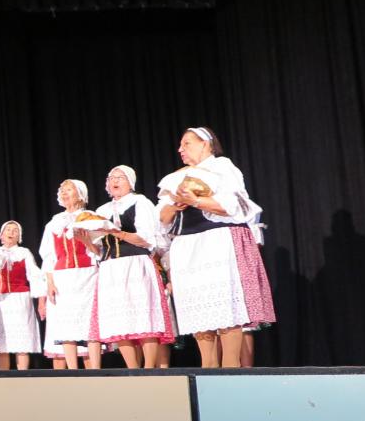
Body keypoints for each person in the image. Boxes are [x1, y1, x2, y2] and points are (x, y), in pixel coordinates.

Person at [157, 127, 275, 367]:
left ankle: (230, 367)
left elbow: (233, 206)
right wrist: (176, 204)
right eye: (180, 145)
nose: (180, 149)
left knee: (225, 306)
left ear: (205, 144)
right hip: (187, 245)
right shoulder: (177, 178)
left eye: (187, 143)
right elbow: (162, 218)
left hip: (217, 241)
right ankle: (208, 367)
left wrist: (196, 200)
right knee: (199, 309)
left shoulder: (222, 168)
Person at [89, 165, 174, 368]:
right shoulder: (101, 211)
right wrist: (84, 239)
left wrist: (118, 233)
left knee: (144, 316)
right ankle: (132, 370)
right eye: (111, 178)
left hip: (136, 264)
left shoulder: (140, 202)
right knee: (120, 320)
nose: (114, 181)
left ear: (131, 182)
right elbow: (98, 250)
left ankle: (149, 368)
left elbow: (146, 239)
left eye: (120, 177)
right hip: (110, 269)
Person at [39, 179, 102, 369]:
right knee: (66, 323)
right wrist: (50, 283)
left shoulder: (91, 217)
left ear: (80, 194)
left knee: (90, 322)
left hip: (88, 275)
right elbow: (48, 256)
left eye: (69, 190)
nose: (64, 193)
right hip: (62, 278)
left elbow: (100, 251)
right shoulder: (55, 222)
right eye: (62, 190)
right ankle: (73, 370)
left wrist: (86, 241)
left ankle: (95, 370)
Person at [0, 220, 44, 370]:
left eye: (15, 230)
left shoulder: (23, 252)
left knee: (21, 340)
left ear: (19, 236)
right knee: (1, 342)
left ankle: (22, 376)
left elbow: (35, 276)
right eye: (8, 230)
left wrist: (41, 301)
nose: (11, 232)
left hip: (20, 300)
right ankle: (3, 376)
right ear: (1, 235)